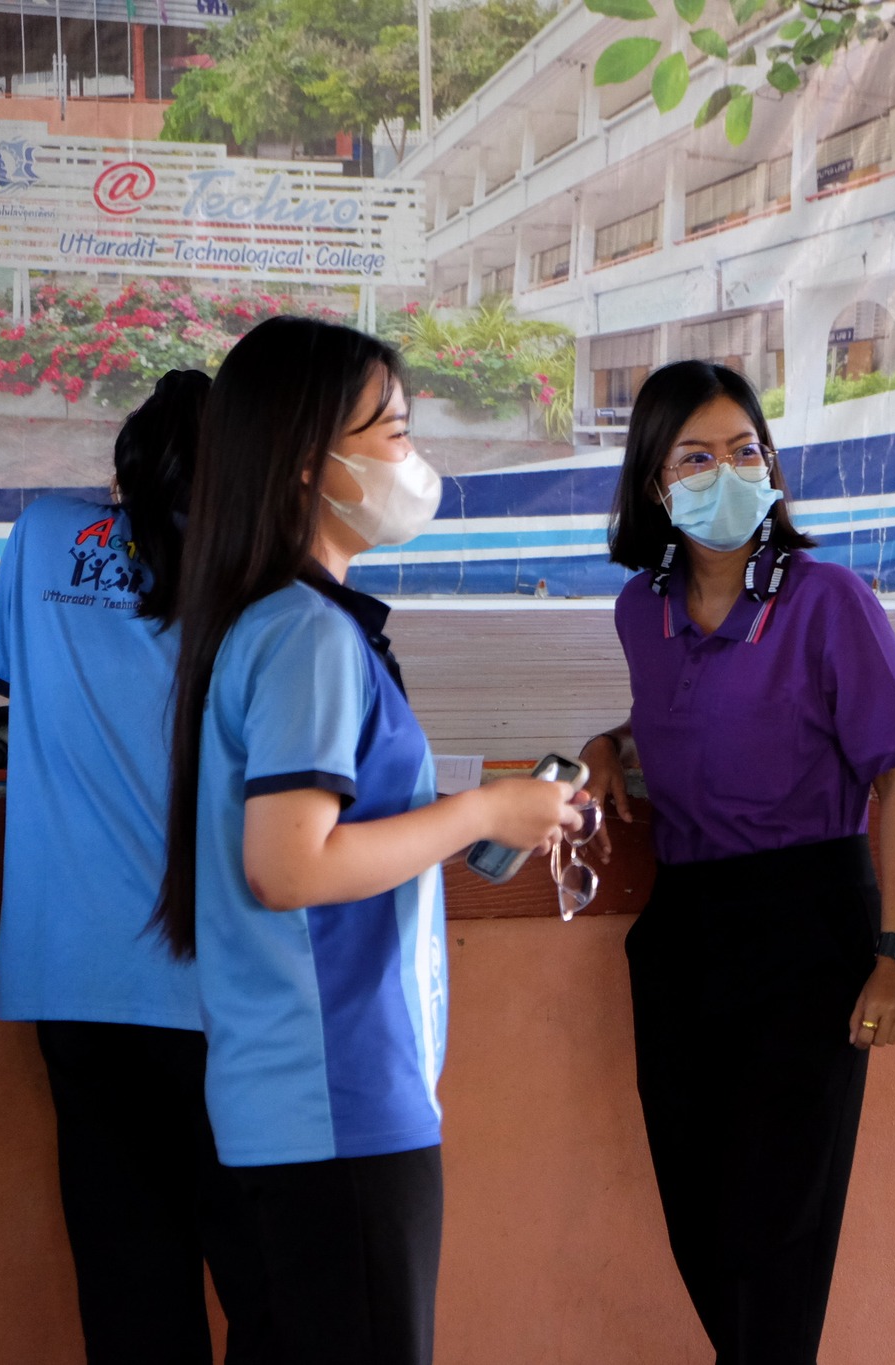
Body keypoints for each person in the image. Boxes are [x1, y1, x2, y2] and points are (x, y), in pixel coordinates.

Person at [153, 316, 581, 1365]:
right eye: (391, 432)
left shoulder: (276, 625)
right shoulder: (306, 635)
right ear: (311, 463)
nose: (413, 460)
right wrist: (480, 816)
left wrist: (494, 812)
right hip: (334, 1107)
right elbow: (289, 864)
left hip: (298, 1103)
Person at [578, 359, 895, 1365]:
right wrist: (612, 745)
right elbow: (689, 712)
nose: (727, 471)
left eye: (746, 450)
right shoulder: (635, 612)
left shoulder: (828, 600)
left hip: (809, 928)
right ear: (654, 482)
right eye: (696, 456)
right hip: (688, 929)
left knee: (776, 1238)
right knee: (700, 1221)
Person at [0, 370, 271, 1364]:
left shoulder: (47, 537)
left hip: (75, 980)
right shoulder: (258, 574)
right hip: (222, 986)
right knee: (268, 1287)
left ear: (129, 458)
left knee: (128, 1282)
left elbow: (8, 701)